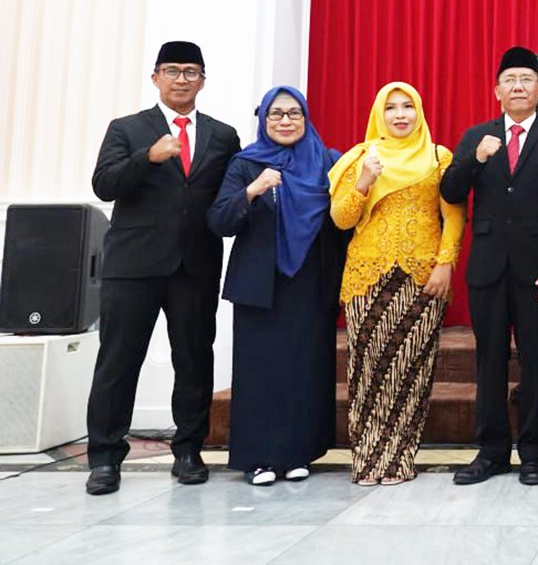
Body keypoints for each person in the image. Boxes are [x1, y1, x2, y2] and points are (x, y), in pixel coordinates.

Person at [85, 41, 241, 496]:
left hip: (195, 265)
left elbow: (227, 194)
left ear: (203, 81)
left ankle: (189, 450)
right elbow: (104, 184)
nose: (181, 79)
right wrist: (147, 158)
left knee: (194, 360)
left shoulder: (222, 135)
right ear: (155, 77)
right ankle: (105, 458)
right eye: (172, 70)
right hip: (132, 265)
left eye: (191, 71)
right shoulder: (128, 128)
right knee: (118, 362)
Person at [441, 48, 538, 487]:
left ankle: (533, 454)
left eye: (526, 80)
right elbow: (450, 191)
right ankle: (491, 452)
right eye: (510, 80)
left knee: (537, 362)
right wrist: (476, 159)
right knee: (490, 362)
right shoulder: (477, 136)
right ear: (497, 91)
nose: (518, 86)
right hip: (488, 269)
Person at [329, 82, 466, 486]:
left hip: (422, 277)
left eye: (408, 106)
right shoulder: (361, 157)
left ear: (419, 111)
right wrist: (363, 182)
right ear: (379, 114)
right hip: (367, 276)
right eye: (391, 108)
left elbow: (454, 216)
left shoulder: (438, 157)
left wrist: (445, 264)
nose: (401, 115)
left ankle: (399, 458)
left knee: (411, 370)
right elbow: (341, 219)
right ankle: (367, 459)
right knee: (367, 369)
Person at [207, 86, 345, 486]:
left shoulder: (328, 162)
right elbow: (219, 220)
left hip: (311, 281)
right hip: (260, 286)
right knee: (260, 372)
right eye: (276, 114)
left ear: (306, 117)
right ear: (264, 119)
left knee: (305, 369)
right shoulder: (246, 163)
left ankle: (299, 452)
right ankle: (259, 458)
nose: (286, 121)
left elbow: (345, 219)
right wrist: (252, 191)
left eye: (294, 113)